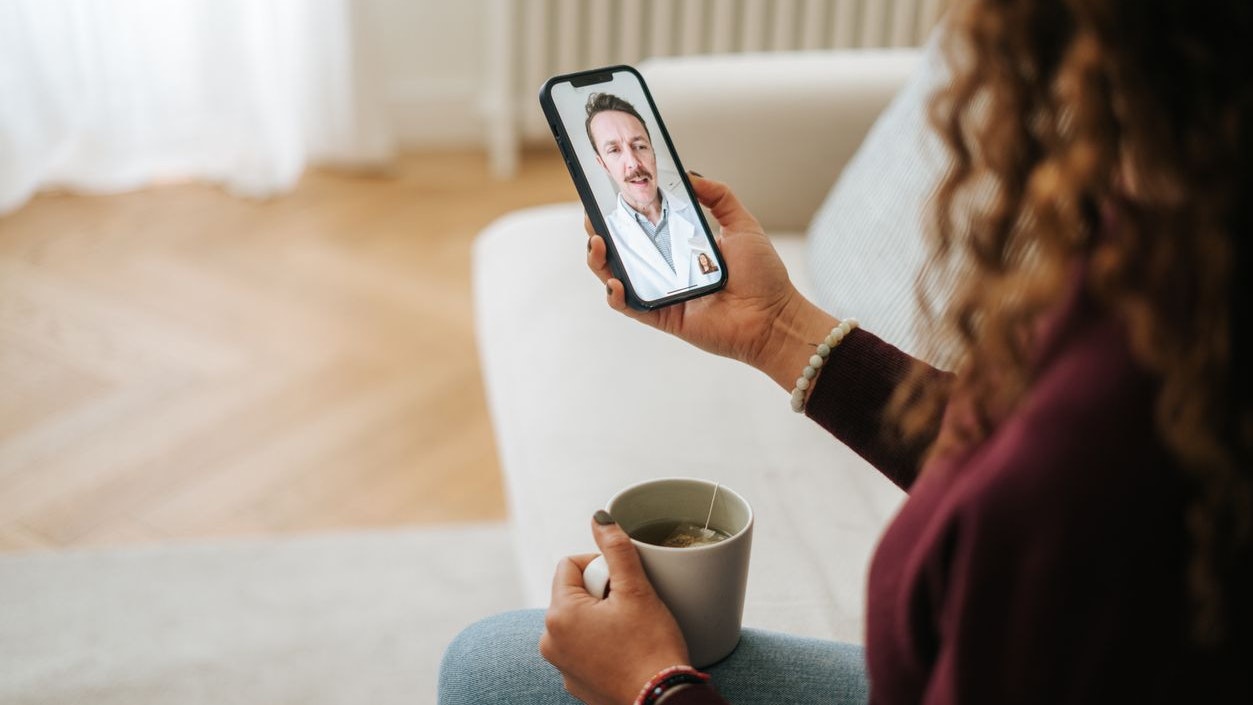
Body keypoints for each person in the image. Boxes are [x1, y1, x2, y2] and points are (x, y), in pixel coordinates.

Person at [440, 1, 1252, 703]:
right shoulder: (1162, 263)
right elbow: (999, 451)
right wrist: (777, 328)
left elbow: (1043, 491)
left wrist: (657, 685)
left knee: (495, 668)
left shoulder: (1107, 430)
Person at [584, 92, 722, 302]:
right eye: (614, 150)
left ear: (653, 152)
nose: (633, 163)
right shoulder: (608, 236)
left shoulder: (695, 212)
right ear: (603, 165)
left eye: (639, 146)